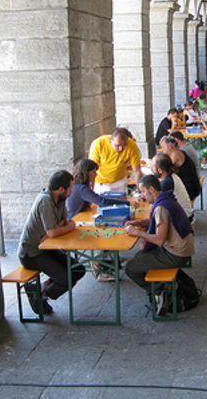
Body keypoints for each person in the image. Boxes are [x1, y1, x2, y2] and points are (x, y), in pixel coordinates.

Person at [17, 170, 86, 314]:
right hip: (32, 253)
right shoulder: (45, 201)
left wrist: (57, 229)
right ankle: (40, 295)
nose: (71, 192)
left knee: (78, 269)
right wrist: (65, 228)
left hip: (47, 248)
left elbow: (64, 222)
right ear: (61, 189)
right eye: (70, 188)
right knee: (67, 280)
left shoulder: (60, 199)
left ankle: (41, 288)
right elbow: (54, 231)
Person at [124, 175, 194, 311]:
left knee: (130, 268)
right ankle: (161, 289)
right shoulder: (167, 198)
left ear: (151, 189)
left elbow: (160, 240)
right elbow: (157, 221)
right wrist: (139, 222)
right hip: (183, 248)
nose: (142, 196)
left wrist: (137, 232)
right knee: (140, 256)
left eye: (143, 192)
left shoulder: (161, 207)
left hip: (175, 254)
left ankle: (161, 290)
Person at [89, 127, 143, 193]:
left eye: (124, 145)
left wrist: (140, 191)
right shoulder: (98, 144)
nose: (121, 149)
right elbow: (91, 170)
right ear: (111, 140)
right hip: (101, 183)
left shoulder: (132, 145)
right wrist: (91, 187)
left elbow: (137, 170)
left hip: (120, 181)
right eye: (117, 145)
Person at [152, 153, 194, 223]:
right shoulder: (171, 176)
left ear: (160, 170)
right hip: (186, 215)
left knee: (155, 217)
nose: (151, 169)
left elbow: (155, 202)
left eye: (152, 167)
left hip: (184, 219)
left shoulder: (166, 183)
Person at [159, 135, 201, 200]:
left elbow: (165, 171)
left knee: (162, 188)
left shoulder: (175, 154)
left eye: (163, 147)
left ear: (170, 146)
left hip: (191, 189)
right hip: (191, 185)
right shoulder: (177, 151)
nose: (162, 150)